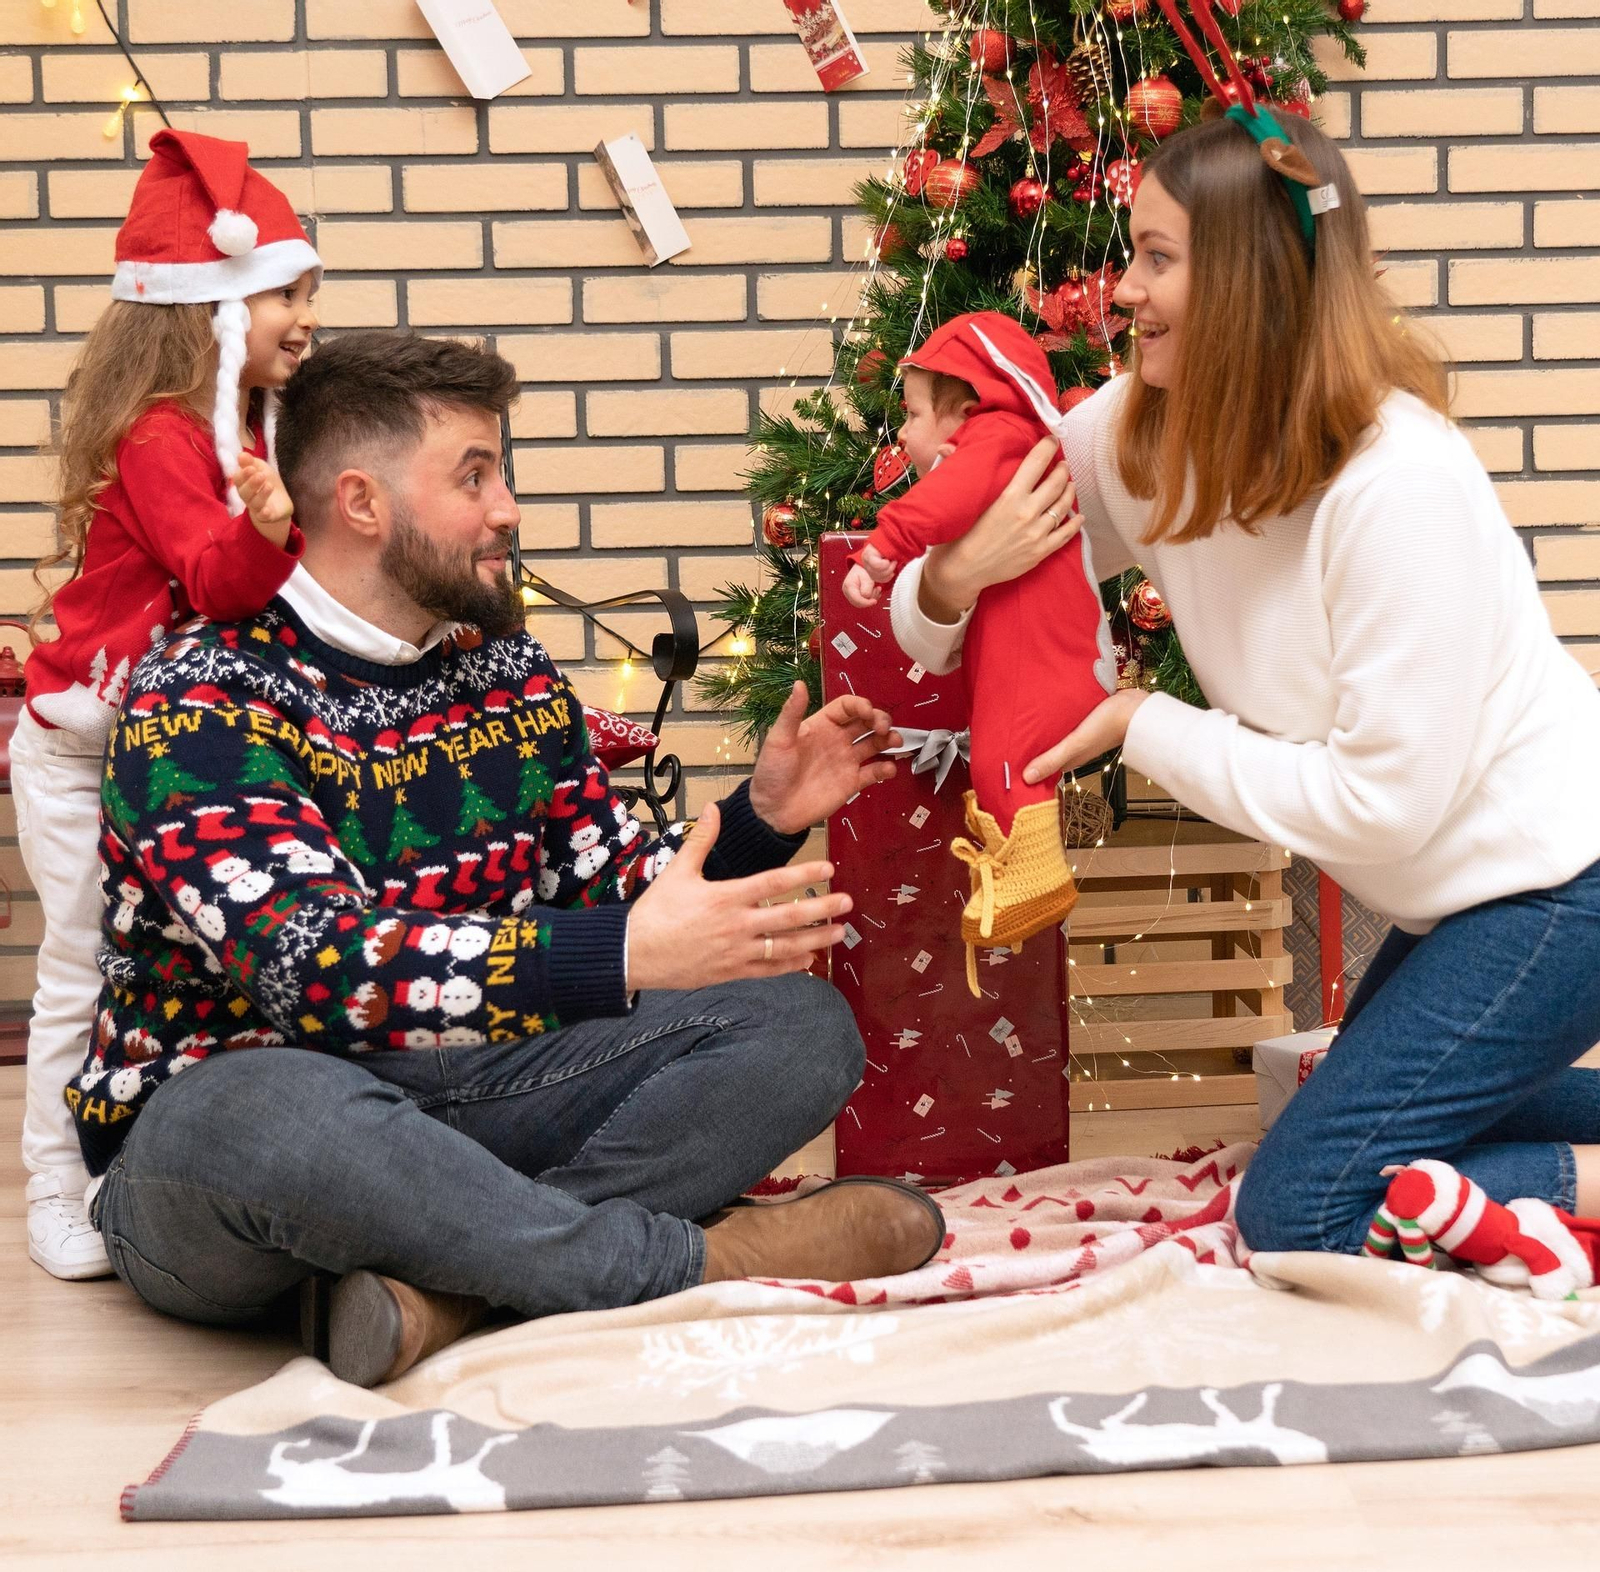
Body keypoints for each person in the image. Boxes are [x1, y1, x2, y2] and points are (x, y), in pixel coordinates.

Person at [76, 329, 944, 1388]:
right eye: (474, 476)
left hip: (475, 1088)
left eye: (502, 472)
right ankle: (690, 1258)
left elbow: (619, 893)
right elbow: (317, 971)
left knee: (798, 1026)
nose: (508, 510)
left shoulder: (507, 674)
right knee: (268, 1112)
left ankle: (452, 1283)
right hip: (239, 1134)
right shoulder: (202, 688)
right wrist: (616, 956)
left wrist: (759, 817)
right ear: (362, 502)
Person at [888, 108, 1600, 1280]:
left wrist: (1137, 722)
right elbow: (929, 626)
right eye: (1132, 252)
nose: (1122, 290)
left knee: (1303, 1208)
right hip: (1460, 899)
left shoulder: (1395, 482)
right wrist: (962, 571)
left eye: (1157, 257)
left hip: (1557, 888)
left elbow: (1380, 809)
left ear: (1249, 277)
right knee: (1382, 1131)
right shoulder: (1140, 433)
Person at [15, 129, 319, 1280]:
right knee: (84, 962)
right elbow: (220, 579)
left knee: (164, 971)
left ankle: (136, 1164)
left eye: (306, 292)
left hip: (161, 749)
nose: (305, 314)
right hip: (83, 750)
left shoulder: (235, 437)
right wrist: (270, 528)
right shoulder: (162, 441)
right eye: (286, 292)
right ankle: (55, 1182)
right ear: (216, 309)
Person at [842, 312, 1117, 994]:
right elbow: (936, 589)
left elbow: (940, 503)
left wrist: (883, 545)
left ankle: (1029, 880)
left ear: (965, 411)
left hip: (1050, 663)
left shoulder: (995, 441)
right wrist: (953, 571)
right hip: (1049, 655)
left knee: (1002, 752)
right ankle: (1023, 873)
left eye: (911, 415)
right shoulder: (1020, 446)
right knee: (1003, 748)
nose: (902, 435)